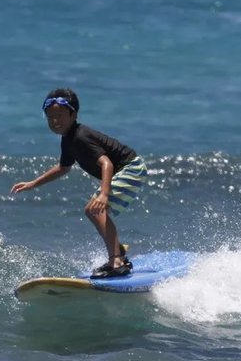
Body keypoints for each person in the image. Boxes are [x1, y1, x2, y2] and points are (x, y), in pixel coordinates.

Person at [11, 88, 147, 278]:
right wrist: (33, 183)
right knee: (93, 210)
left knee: (95, 209)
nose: (55, 121)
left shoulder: (80, 137)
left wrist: (104, 194)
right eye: (50, 117)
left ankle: (117, 260)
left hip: (131, 167)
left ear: (73, 114)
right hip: (127, 169)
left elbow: (106, 163)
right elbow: (63, 168)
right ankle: (117, 251)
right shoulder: (68, 140)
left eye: (59, 116)